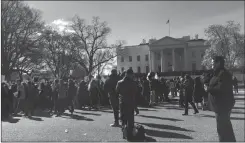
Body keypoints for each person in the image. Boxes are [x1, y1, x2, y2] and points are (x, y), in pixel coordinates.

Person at [204, 56, 236, 142]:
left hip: (223, 106)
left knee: (223, 129)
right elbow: (209, 82)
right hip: (219, 106)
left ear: (219, 63)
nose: (212, 65)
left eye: (213, 63)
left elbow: (221, 88)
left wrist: (208, 89)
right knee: (224, 128)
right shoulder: (217, 73)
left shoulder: (224, 73)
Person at [116, 68, 138, 141]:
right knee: (130, 120)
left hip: (122, 102)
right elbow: (135, 95)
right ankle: (130, 135)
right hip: (131, 102)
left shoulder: (119, 82)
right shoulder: (133, 83)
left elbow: (117, 91)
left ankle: (124, 131)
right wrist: (136, 108)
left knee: (123, 118)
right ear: (131, 75)